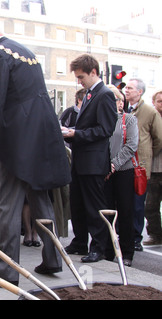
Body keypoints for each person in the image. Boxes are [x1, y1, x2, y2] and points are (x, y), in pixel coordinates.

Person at [0, 16, 70, 287]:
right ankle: (53, 259)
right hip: (39, 139)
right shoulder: (26, 53)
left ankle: (7, 271)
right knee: (41, 201)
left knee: (8, 206)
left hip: (14, 143)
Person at [62, 54, 117, 263]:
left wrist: (75, 134)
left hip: (93, 163)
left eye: (81, 76)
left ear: (94, 72)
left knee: (95, 208)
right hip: (82, 161)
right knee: (77, 205)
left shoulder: (104, 95)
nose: (79, 81)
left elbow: (105, 129)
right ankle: (79, 242)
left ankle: (99, 247)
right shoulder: (91, 94)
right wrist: (72, 130)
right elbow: (88, 127)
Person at [125, 79, 162, 251]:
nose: (126, 90)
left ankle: (137, 238)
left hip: (142, 166)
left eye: (130, 88)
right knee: (132, 204)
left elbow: (158, 139)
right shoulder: (125, 109)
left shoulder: (148, 112)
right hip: (127, 165)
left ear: (139, 92)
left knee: (140, 204)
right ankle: (129, 236)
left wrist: (147, 153)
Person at [104, 85, 138, 267]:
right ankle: (108, 251)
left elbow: (132, 146)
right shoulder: (102, 119)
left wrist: (113, 165)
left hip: (124, 172)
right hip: (106, 173)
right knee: (107, 212)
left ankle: (127, 252)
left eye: (115, 99)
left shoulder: (129, 119)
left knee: (125, 212)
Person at [143, 90, 162, 246]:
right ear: (154, 102)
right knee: (150, 206)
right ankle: (155, 234)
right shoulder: (150, 117)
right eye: (159, 101)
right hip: (153, 169)